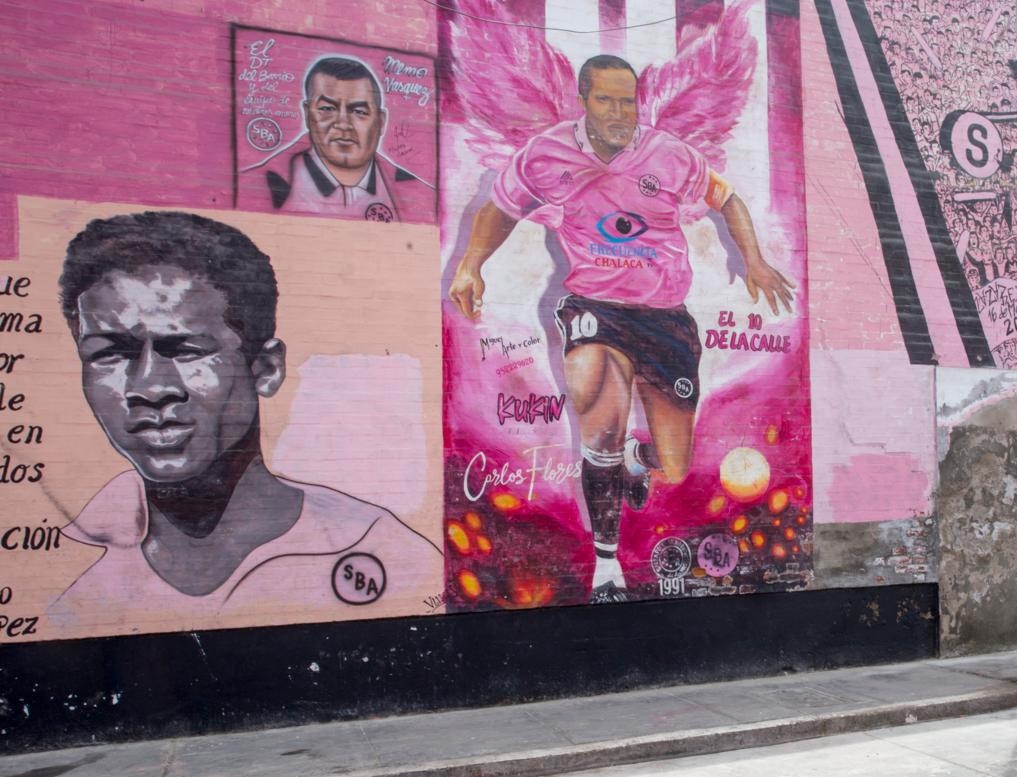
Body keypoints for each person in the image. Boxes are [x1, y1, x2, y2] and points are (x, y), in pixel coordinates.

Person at [447, 54, 794, 603]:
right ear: (583, 100)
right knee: (596, 410)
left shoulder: (671, 156)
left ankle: (638, 459)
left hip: (665, 322)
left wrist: (753, 259)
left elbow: (727, 200)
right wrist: (471, 264)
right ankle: (606, 570)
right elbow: (500, 207)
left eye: (627, 100)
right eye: (606, 100)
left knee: (676, 467)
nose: (619, 112)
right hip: (595, 307)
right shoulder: (546, 154)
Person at [51, 211, 439, 629]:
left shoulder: (387, 555)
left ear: (265, 369)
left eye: (186, 349)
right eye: (109, 354)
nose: (149, 386)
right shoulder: (72, 581)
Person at [239, 56, 431, 222]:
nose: (343, 123)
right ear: (307, 114)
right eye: (327, 109)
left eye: (359, 111)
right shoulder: (253, 186)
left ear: (381, 122)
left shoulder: (423, 198)